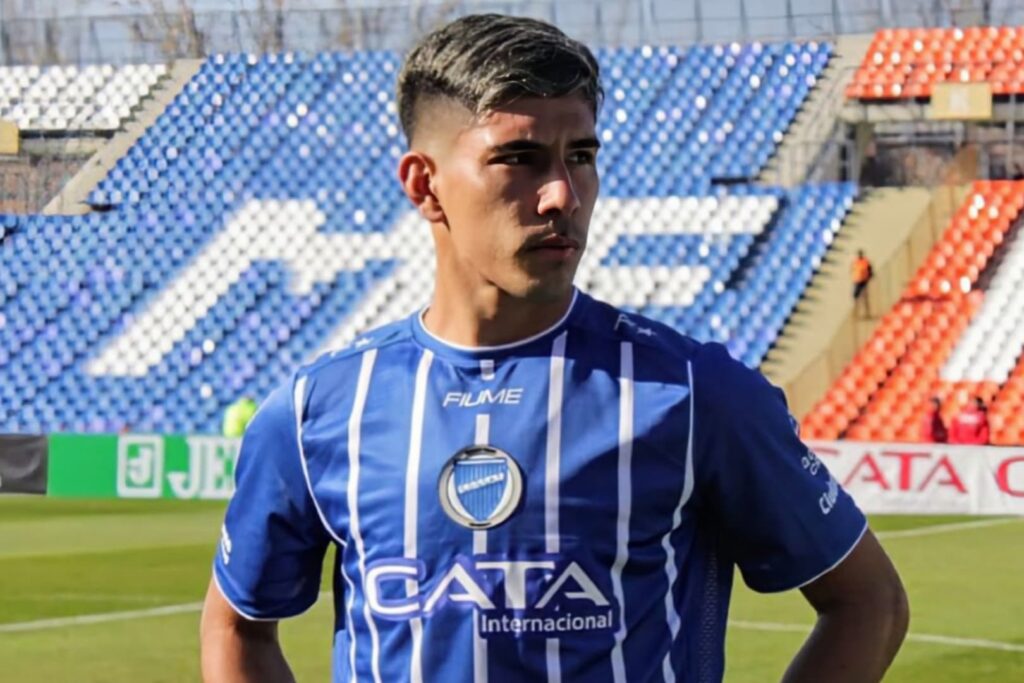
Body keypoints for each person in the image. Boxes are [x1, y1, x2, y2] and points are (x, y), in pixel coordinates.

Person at [200, 14, 908, 682]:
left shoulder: (694, 393)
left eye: (581, 156)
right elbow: (237, 627)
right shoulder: (316, 410)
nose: (561, 194)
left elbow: (869, 601)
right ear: (425, 184)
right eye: (520, 159)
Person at [851, 249, 873, 318]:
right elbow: (852, 271)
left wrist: (867, 279)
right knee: (855, 297)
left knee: (864, 297)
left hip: (863, 281)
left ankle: (866, 313)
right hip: (857, 281)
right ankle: (857, 313)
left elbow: (870, 272)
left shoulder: (866, 262)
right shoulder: (855, 262)